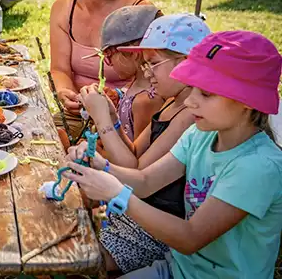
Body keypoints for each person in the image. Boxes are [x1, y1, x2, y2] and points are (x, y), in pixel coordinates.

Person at [66, 30, 282, 279]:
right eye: (193, 90)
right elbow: (146, 182)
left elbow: (190, 238)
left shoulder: (257, 167)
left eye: (206, 94)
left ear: (248, 101)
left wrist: (118, 194)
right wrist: (101, 166)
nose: (190, 102)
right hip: (177, 268)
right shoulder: (200, 135)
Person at [78, 14, 211, 274]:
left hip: (152, 228)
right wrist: (115, 120)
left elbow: (137, 175)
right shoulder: (172, 102)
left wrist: (102, 120)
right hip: (133, 213)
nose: (146, 72)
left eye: (153, 63)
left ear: (185, 63)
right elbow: (136, 153)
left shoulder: (188, 118)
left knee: (79, 258)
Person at [50, 0, 156, 145]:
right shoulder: (62, 9)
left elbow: (154, 81)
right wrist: (65, 93)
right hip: (79, 114)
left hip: (127, 119)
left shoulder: (139, 12)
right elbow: (59, 69)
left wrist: (116, 96)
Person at [96, 5, 165, 142]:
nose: (108, 64)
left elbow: (136, 158)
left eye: (109, 57)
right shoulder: (137, 82)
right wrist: (117, 96)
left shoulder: (145, 101)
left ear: (132, 53)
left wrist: (97, 150)